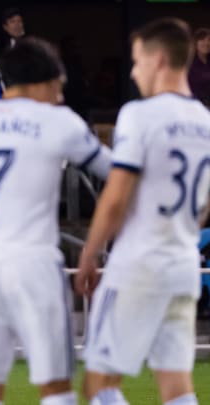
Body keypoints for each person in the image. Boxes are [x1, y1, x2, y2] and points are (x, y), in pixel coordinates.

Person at [0, 37, 111, 405]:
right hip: (34, 263)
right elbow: (117, 172)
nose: (61, 96)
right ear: (44, 80)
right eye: (59, 86)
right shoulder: (58, 120)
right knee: (56, 385)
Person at [76, 18, 210, 405]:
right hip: (183, 266)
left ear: (160, 61)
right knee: (176, 385)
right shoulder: (205, 122)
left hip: (138, 263)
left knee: (100, 378)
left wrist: (90, 252)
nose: (134, 72)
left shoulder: (140, 114)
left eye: (137, 61)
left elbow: (116, 197)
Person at [189, 27, 210, 106]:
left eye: (209, 40)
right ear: (195, 42)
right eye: (202, 39)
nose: (206, 43)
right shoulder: (188, 63)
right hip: (194, 106)